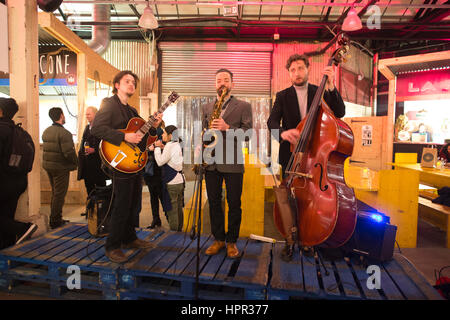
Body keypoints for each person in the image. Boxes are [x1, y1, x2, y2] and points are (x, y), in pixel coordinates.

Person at [91, 70, 162, 264]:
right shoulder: (109, 104)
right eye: (127, 81)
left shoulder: (132, 111)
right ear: (117, 85)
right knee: (122, 204)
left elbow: (142, 140)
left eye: (133, 82)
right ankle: (112, 246)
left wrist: (153, 125)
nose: (131, 84)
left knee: (133, 204)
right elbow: (96, 128)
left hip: (133, 163)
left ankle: (130, 238)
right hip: (118, 161)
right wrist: (123, 136)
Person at [200, 68, 253, 259]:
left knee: (234, 203)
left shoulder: (244, 106)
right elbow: (204, 132)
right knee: (213, 202)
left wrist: (227, 128)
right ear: (215, 84)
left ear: (232, 84)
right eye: (218, 80)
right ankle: (218, 239)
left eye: (226, 80)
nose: (222, 83)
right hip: (211, 162)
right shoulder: (206, 107)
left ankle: (231, 242)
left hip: (233, 162)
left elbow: (248, 134)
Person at [267, 53, 346, 177]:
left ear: (308, 69)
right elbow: (271, 122)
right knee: (289, 193)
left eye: (300, 68)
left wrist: (331, 86)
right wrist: (282, 133)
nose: (297, 73)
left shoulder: (319, 92)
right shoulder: (282, 96)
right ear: (289, 73)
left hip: (316, 154)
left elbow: (340, 112)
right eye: (292, 70)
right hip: (290, 154)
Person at [0, 98, 38, 249]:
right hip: (18, 182)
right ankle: (8, 251)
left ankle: (21, 228)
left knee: (6, 219)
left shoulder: (1, 130)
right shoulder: (20, 131)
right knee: (6, 215)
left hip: (3, 181)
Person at [42, 107, 78, 229]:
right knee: (59, 195)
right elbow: (68, 153)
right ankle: (56, 220)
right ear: (61, 116)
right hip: (61, 168)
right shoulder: (65, 133)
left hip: (49, 167)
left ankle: (54, 218)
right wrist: (77, 162)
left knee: (55, 193)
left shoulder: (46, 131)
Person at [150, 125, 185, 231]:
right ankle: (180, 232)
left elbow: (160, 162)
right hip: (180, 180)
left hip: (172, 182)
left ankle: (175, 234)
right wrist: (163, 148)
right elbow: (171, 155)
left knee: (172, 210)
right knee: (178, 208)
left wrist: (156, 148)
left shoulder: (169, 145)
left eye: (164, 133)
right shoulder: (177, 144)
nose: (162, 135)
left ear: (170, 135)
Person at [77, 106, 108, 197]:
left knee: (100, 188)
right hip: (87, 165)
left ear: (96, 114)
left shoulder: (102, 128)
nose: (87, 116)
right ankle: (90, 209)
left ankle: (101, 209)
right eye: (86, 114)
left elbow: (106, 145)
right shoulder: (87, 127)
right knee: (89, 188)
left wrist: (95, 149)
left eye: (89, 114)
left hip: (98, 165)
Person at [143, 121, 165, 229]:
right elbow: (142, 149)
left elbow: (163, 146)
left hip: (159, 169)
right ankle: (156, 219)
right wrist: (149, 148)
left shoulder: (161, 132)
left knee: (162, 195)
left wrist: (156, 147)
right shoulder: (145, 134)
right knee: (153, 196)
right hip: (149, 170)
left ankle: (169, 219)